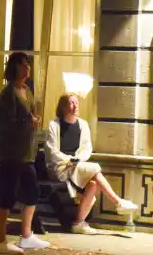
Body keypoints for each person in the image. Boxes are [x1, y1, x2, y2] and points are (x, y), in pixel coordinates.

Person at [46, 93, 137, 234]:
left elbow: (86, 149)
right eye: (71, 103)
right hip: (61, 167)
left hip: (78, 166)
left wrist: (77, 159)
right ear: (63, 107)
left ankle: (78, 223)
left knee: (94, 184)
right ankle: (118, 202)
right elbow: (52, 151)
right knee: (95, 169)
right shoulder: (54, 125)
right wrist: (69, 160)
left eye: (76, 102)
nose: (75, 106)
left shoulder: (83, 125)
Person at [0, 52, 50, 254]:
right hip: (12, 154)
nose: (27, 69)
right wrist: (28, 122)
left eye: (28, 65)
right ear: (15, 68)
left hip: (27, 153)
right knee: (7, 196)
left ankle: (26, 235)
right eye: (23, 65)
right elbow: (5, 125)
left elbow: (30, 115)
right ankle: (0, 240)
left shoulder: (27, 90)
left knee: (32, 192)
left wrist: (33, 122)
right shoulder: (7, 96)